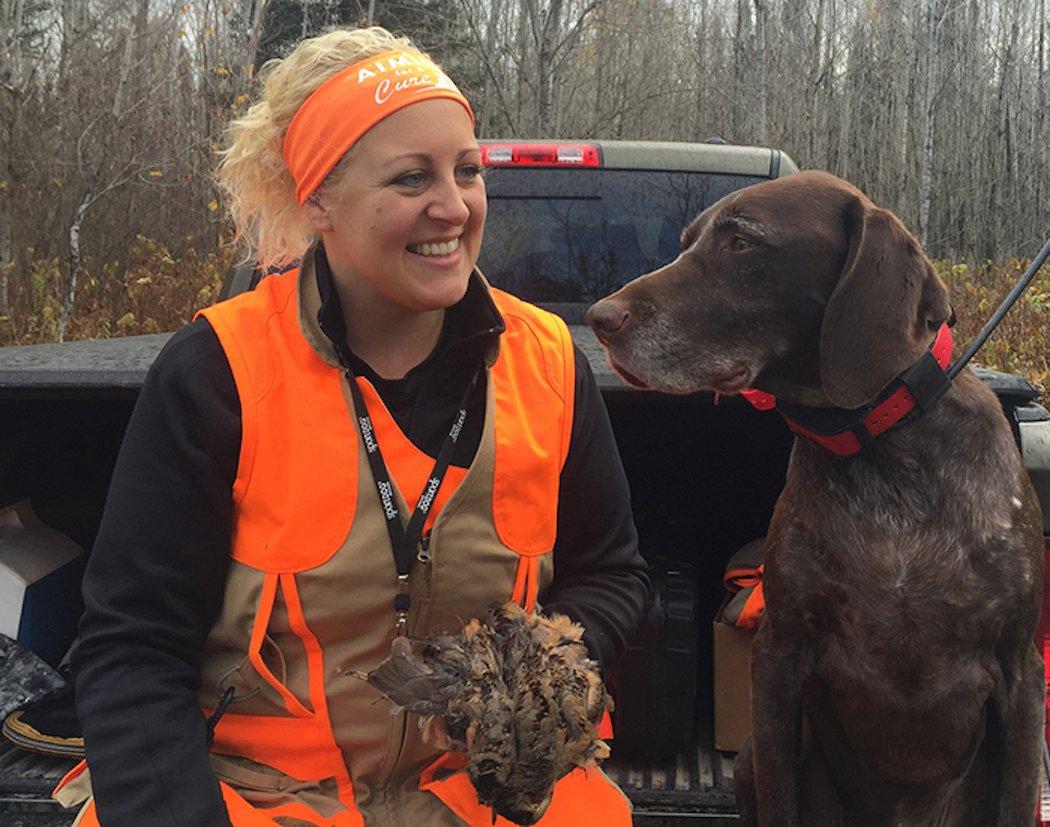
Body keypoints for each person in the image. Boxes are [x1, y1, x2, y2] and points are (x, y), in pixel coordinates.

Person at [63, 26, 649, 827]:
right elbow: (132, 648)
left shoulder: (548, 361)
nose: (455, 205)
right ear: (319, 200)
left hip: (486, 802)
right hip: (262, 798)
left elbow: (614, 573)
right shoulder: (218, 373)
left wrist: (545, 676)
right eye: (412, 178)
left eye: (468, 170)